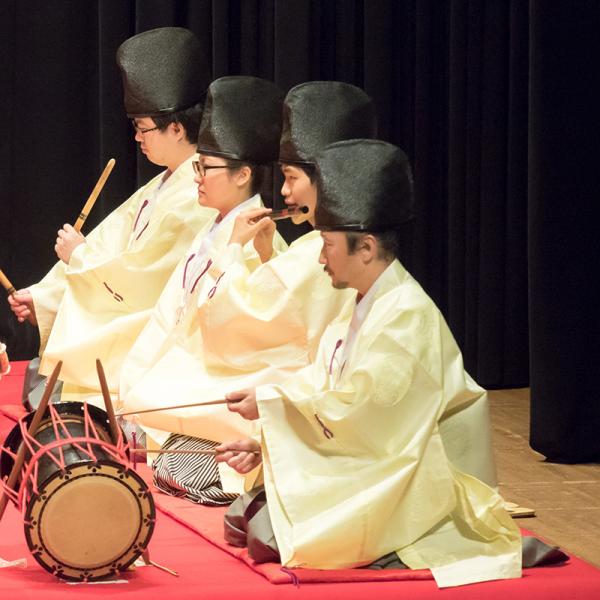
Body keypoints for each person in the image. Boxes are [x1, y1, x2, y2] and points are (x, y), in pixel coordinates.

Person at [217, 139, 523, 587]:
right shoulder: (362, 300)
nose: (320, 257)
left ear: (366, 247)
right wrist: (263, 437)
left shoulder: (405, 316)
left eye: (327, 244)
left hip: (413, 477)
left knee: (268, 534)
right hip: (368, 459)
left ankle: (396, 544)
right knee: (247, 520)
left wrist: (271, 405)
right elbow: (322, 381)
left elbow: (365, 415)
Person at [119, 81, 379, 503]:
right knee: (149, 395)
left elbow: (243, 323)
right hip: (287, 380)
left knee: (168, 406)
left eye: (292, 177)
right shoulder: (312, 244)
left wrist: (238, 252)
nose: (284, 192)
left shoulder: (325, 251)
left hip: (288, 383)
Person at [7, 27, 215, 407]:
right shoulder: (162, 185)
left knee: (62, 384)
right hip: (125, 317)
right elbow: (109, 242)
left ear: (177, 127)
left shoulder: (197, 195)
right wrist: (44, 296)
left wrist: (81, 257)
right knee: (47, 382)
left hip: (155, 333)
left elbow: (142, 279)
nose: (137, 138)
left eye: (142, 129)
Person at [118, 76, 288, 504]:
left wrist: (234, 252)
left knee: (170, 455)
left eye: (205, 168)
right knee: (126, 406)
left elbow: (239, 330)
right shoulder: (215, 225)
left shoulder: (260, 235)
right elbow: (169, 315)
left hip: (227, 382)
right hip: (188, 374)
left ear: (243, 174)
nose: (196, 178)